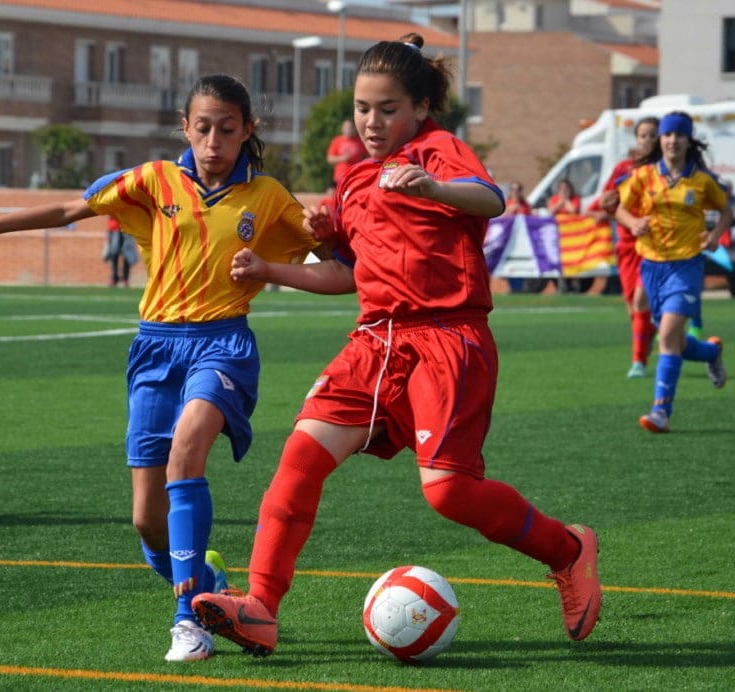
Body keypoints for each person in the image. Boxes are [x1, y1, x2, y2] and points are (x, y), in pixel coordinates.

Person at [190, 33, 601, 657]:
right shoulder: (353, 182)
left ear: (420, 110)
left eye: (387, 109)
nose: (373, 122)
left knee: (448, 492)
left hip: (448, 340)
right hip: (373, 343)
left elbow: (489, 198)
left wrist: (433, 189)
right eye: (363, 108)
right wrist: (289, 262)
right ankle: (260, 608)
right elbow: (350, 274)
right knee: (300, 458)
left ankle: (567, 551)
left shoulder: (438, 151)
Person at [0, 74, 322, 662]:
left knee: (188, 452)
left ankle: (189, 623)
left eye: (227, 129)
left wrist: (317, 243)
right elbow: (66, 208)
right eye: (203, 127)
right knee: (146, 523)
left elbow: (335, 259)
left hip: (222, 344)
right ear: (185, 127)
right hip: (156, 349)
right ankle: (210, 590)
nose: (213, 140)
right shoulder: (152, 180)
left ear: (247, 131)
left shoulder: (268, 199)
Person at [614, 111, 732, 434]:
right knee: (676, 342)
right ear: (661, 140)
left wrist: (715, 234)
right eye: (667, 135)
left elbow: (726, 209)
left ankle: (661, 412)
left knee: (666, 336)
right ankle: (712, 352)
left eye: (679, 135)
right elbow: (620, 208)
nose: (672, 140)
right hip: (651, 266)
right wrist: (632, 222)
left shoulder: (701, 180)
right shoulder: (643, 176)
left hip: (686, 265)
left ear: (688, 140)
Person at [589, 117, 659, 378]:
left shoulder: (663, 170)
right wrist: (603, 209)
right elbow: (608, 201)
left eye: (653, 135)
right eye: (643, 135)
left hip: (654, 245)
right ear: (636, 139)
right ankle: (655, 339)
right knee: (633, 307)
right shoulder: (623, 169)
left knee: (642, 298)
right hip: (627, 245)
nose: (648, 140)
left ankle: (638, 361)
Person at [325, 118, 366, 188]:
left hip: (356, 177)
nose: (348, 130)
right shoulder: (337, 141)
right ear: (342, 129)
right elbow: (329, 159)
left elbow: (368, 157)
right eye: (346, 127)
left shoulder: (361, 141)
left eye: (350, 127)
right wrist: (342, 158)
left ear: (354, 128)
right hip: (340, 178)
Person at [102, 216, 137, 287]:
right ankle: (114, 278)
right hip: (114, 228)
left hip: (127, 228)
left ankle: (125, 279)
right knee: (114, 254)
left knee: (127, 254)